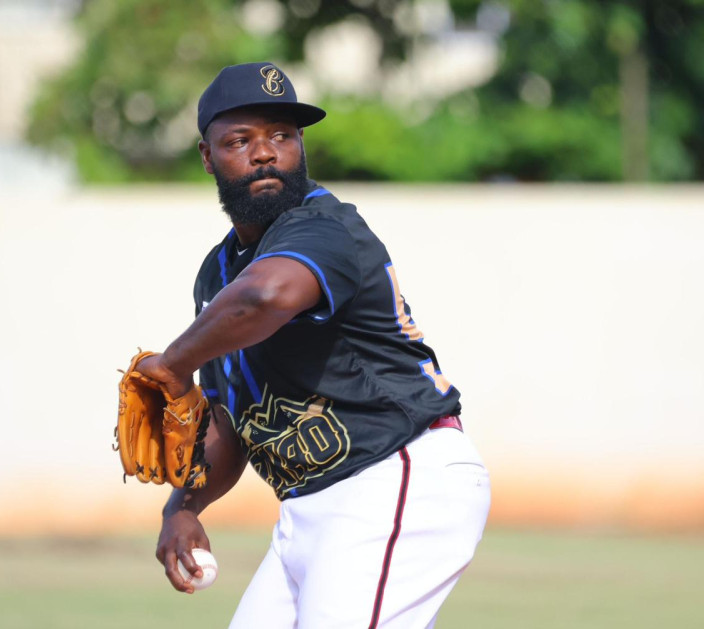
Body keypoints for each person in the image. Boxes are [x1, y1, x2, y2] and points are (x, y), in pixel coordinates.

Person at [135, 62, 491, 629]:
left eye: (282, 135)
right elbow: (231, 420)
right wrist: (183, 506)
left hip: (395, 475)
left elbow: (270, 294)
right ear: (208, 157)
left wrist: (173, 363)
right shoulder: (218, 276)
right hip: (308, 508)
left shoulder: (324, 227)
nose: (265, 153)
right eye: (240, 140)